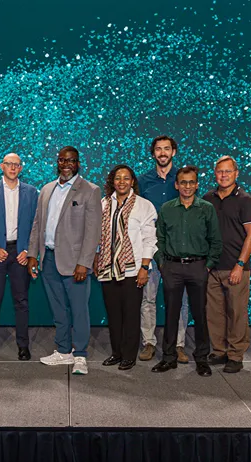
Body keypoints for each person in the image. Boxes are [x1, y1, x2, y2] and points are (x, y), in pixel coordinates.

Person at [27, 146, 102, 376]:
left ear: (78, 163)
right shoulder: (47, 189)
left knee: (79, 310)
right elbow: (38, 224)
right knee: (58, 309)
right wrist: (32, 255)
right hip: (49, 258)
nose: (66, 164)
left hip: (75, 263)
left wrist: (85, 262)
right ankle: (63, 350)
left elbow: (93, 231)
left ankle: (80, 355)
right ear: (57, 162)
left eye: (71, 160)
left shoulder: (90, 190)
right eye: (62, 160)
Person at [152, 166, 221, 376]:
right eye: (183, 183)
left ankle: (201, 359)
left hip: (198, 267)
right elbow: (159, 239)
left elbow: (215, 241)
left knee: (200, 315)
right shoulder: (167, 208)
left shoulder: (206, 208)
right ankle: (169, 357)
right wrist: (162, 264)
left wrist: (207, 266)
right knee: (171, 314)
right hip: (171, 267)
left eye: (191, 182)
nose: (187, 187)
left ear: (197, 185)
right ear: (176, 185)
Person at [94, 165, 157, 371]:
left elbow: (150, 239)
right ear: (112, 181)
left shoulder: (143, 206)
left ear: (132, 182)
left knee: (130, 314)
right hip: (107, 268)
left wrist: (144, 267)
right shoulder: (103, 204)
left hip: (132, 270)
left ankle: (129, 355)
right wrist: (96, 257)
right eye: (118, 178)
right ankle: (117, 352)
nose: (122, 182)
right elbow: (98, 236)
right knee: (113, 314)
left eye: (126, 178)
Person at [0, 153, 38, 361]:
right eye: (9, 164)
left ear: (21, 168)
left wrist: (28, 250)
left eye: (16, 165)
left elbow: (36, 225)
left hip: (20, 253)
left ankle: (23, 345)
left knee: (22, 301)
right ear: (2, 166)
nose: (12, 167)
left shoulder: (31, 192)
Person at [136, 136, 190, 363]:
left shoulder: (183, 180)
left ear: (174, 152)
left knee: (180, 300)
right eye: (158, 149)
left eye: (167, 149)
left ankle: (178, 345)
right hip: (150, 249)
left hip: (178, 250)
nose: (162, 153)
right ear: (153, 153)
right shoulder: (143, 181)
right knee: (148, 298)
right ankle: (148, 342)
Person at [203, 156, 251, 373]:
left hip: (236, 267)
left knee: (236, 312)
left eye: (228, 171)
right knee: (214, 312)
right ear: (215, 174)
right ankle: (219, 350)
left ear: (236, 173)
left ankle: (235, 354)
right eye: (220, 171)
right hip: (213, 267)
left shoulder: (245, 200)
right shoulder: (208, 198)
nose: (223, 175)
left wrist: (239, 264)